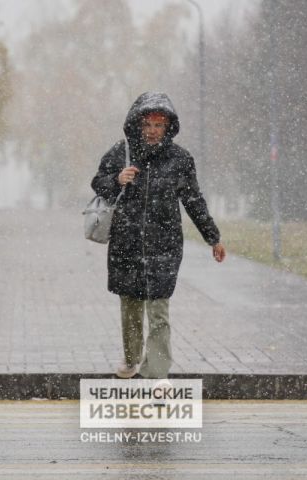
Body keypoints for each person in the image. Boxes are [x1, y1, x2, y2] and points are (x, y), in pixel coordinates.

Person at [91, 92, 226, 380]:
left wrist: (213, 238)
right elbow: (97, 183)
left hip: (164, 246)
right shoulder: (121, 152)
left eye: (159, 125)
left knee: (159, 310)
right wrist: (117, 180)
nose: (153, 131)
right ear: (137, 125)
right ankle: (131, 360)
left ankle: (156, 372)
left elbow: (194, 201)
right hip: (126, 244)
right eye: (148, 125)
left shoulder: (180, 159)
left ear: (168, 127)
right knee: (130, 307)